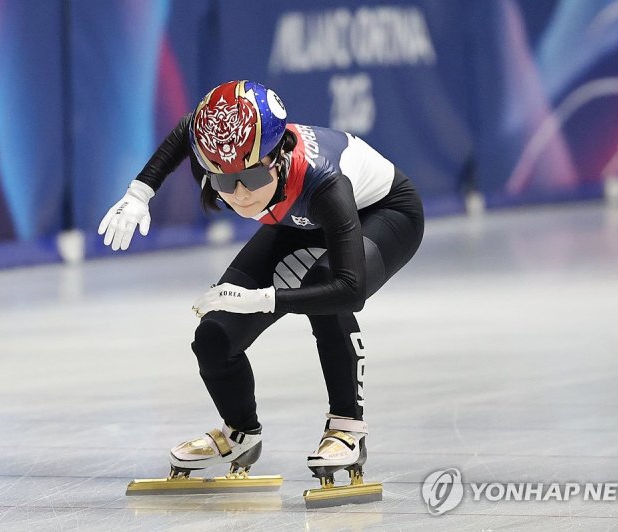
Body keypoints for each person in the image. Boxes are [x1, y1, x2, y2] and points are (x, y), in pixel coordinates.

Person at [99, 80, 424, 494]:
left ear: (280, 155)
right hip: (295, 220)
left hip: (382, 214)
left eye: (251, 177)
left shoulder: (325, 181)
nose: (239, 194)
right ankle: (239, 433)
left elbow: (351, 289)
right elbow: (187, 129)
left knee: (326, 286)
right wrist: (138, 194)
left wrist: (262, 298)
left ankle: (347, 426)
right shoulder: (232, 154)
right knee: (214, 337)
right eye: (222, 181)